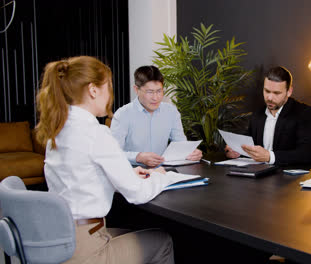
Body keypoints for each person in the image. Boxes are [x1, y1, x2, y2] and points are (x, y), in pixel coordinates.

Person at [35, 56, 174, 264]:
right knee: (162, 240)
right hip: (85, 248)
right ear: (93, 90)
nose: (110, 94)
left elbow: (80, 179)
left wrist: (128, 174)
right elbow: (137, 193)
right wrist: (164, 178)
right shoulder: (95, 133)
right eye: (108, 87)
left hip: (58, 239)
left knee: (134, 231)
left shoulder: (58, 131)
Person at [110, 65, 202, 167]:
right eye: (150, 92)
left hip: (164, 172)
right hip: (133, 174)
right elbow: (113, 154)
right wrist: (138, 157)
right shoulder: (123, 114)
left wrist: (190, 153)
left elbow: (180, 144)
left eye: (159, 91)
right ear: (136, 89)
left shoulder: (171, 112)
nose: (155, 98)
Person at [226, 66, 311, 166]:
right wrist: (236, 150)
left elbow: (306, 154)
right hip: (258, 175)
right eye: (267, 91)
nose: (270, 98)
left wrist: (270, 157)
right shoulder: (258, 113)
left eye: (276, 93)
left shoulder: (305, 113)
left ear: (289, 91)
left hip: (290, 178)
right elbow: (249, 143)